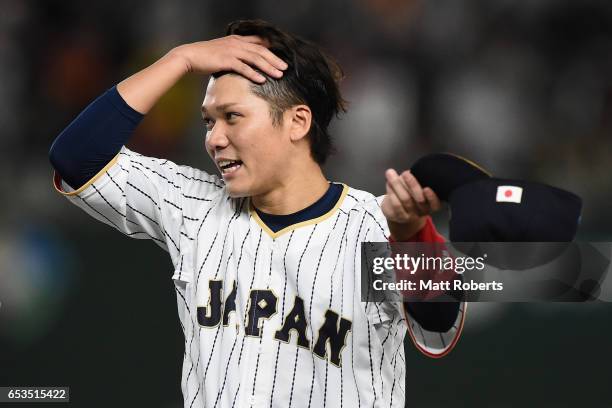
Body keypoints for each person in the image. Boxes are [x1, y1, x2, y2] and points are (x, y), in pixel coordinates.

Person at [49, 19, 465, 408]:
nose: (215, 138)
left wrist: (411, 233)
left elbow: (439, 319)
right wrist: (181, 59)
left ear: (298, 121)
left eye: (231, 117)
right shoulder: (192, 205)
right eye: (208, 122)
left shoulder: (375, 223)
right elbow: (75, 157)